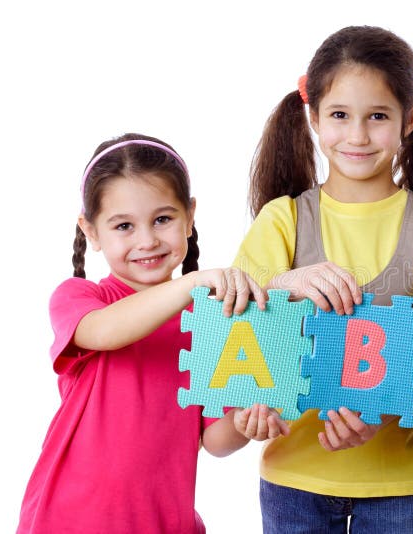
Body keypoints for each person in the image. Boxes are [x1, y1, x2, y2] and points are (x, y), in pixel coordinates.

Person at [212, 25, 413, 534]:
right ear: (313, 118)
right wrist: (250, 409)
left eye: (377, 116)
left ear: (409, 119)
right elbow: (234, 335)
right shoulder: (282, 220)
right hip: (294, 478)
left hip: (399, 485)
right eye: (339, 116)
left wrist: (381, 410)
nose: (357, 135)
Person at [16, 134, 288, 534]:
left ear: (189, 216)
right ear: (90, 230)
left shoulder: (211, 321)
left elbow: (214, 439)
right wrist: (188, 285)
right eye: (123, 225)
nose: (147, 241)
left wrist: (245, 423)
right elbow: (106, 331)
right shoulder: (79, 298)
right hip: (68, 519)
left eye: (163, 219)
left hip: (163, 521)